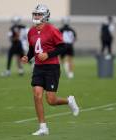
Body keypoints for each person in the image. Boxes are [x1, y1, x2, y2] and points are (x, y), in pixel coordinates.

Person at [21, 4, 79, 136]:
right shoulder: (31, 31)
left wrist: (48, 54)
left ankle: (69, 101)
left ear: (45, 16)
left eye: (38, 14)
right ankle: (43, 127)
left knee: (51, 100)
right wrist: (27, 57)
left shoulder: (52, 30)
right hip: (38, 67)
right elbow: (32, 49)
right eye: (35, 14)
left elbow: (63, 47)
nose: (36, 16)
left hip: (51, 67)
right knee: (37, 95)